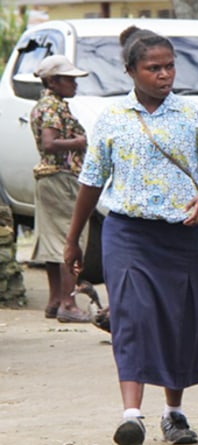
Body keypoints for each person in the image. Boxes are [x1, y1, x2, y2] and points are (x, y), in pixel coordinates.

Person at [63, 26, 198, 445]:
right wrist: (72, 240)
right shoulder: (111, 119)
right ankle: (131, 417)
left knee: (180, 321)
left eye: (169, 66)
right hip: (128, 234)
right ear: (130, 71)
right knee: (132, 317)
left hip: (184, 236)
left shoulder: (192, 115)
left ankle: (174, 411)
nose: (164, 75)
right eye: (153, 68)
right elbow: (90, 183)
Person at [30, 55, 91, 323]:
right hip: (61, 178)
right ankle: (69, 303)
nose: (74, 84)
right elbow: (50, 143)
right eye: (69, 79)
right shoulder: (53, 107)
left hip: (48, 179)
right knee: (71, 240)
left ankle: (55, 300)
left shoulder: (44, 105)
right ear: (53, 81)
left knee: (54, 242)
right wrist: (80, 142)